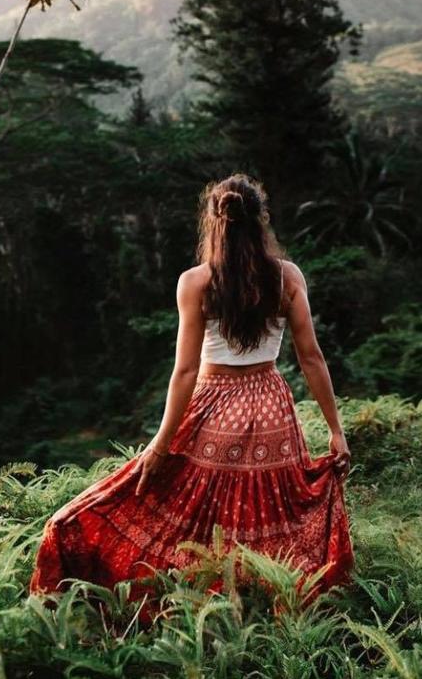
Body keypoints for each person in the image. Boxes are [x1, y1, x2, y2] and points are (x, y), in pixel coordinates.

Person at [28, 172, 354, 609]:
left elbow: (184, 371)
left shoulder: (195, 282)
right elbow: (311, 359)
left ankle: (203, 601)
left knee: (197, 513)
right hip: (273, 409)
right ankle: (262, 601)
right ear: (261, 220)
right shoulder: (286, 277)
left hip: (214, 407)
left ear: (214, 222)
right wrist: (336, 430)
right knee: (266, 512)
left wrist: (159, 446)